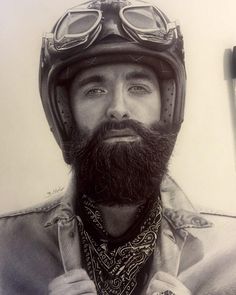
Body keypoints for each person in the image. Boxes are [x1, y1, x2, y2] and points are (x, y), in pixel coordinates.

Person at [1, 1, 236, 294]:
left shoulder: (230, 255)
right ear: (65, 114)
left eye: (138, 87)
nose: (118, 109)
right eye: (94, 90)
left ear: (167, 106)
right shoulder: (6, 253)